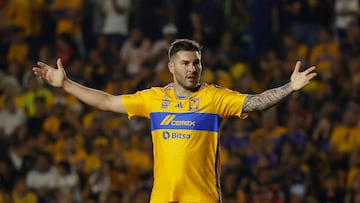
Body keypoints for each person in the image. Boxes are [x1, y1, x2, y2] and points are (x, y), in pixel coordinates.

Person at [33, 39, 316, 203]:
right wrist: (66, 84)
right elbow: (106, 101)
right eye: (185, 63)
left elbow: (256, 102)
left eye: (197, 63)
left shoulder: (214, 97)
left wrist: (289, 87)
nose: (192, 69)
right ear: (171, 67)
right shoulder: (153, 98)